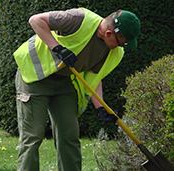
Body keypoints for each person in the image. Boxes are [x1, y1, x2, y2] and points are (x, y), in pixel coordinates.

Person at [13, 8, 140, 171]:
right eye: (122, 42)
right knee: (33, 137)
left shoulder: (111, 50)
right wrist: (57, 48)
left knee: (69, 136)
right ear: (109, 33)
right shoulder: (77, 19)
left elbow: (94, 77)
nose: (121, 47)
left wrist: (100, 107)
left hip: (65, 83)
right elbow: (35, 20)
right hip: (34, 76)